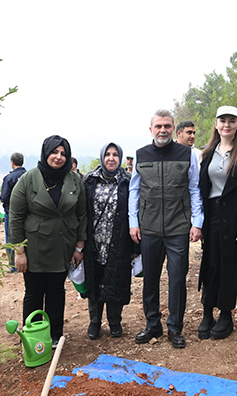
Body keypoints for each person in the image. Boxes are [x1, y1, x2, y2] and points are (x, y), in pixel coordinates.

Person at [129, 109, 204, 348]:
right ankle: (153, 325)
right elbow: (134, 191)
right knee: (150, 279)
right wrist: (133, 222)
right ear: (151, 129)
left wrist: (197, 222)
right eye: (158, 126)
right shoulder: (141, 155)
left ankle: (175, 328)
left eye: (167, 126)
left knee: (177, 280)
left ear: (174, 129)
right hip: (149, 228)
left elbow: (195, 188)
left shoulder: (187, 154)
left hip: (178, 228)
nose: (163, 130)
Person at [9, 135, 87, 347]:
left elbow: (82, 215)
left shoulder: (74, 180)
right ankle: (33, 335)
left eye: (63, 153)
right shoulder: (28, 179)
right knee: (33, 293)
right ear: (46, 153)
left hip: (63, 245)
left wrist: (80, 247)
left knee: (56, 292)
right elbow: (15, 215)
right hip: (33, 247)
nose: (58, 157)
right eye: (54, 152)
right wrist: (19, 251)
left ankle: (54, 336)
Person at [197, 106, 237, 340]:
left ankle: (225, 314)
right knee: (210, 262)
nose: (227, 125)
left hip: (234, 215)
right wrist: (199, 222)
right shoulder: (208, 153)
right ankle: (206, 311)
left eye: (232, 121)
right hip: (211, 214)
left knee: (229, 264)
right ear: (216, 124)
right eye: (222, 120)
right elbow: (202, 189)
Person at [82, 142, 136, 340]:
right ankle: (94, 321)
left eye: (115, 155)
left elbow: (135, 213)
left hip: (119, 241)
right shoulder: (89, 180)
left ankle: (115, 321)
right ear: (102, 157)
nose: (111, 158)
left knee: (116, 281)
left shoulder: (128, 181)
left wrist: (135, 245)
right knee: (95, 282)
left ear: (120, 158)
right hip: (94, 241)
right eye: (107, 155)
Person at [0, 152, 27, 273]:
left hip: (11, 213)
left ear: (12, 163)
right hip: (28, 213)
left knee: (10, 238)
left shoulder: (9, 178)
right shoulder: (29, 176)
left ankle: (13, 265)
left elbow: (4, 197)